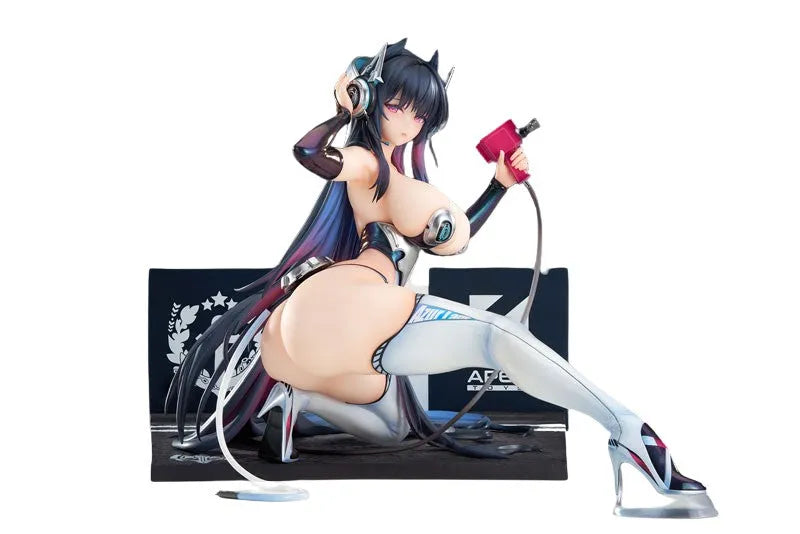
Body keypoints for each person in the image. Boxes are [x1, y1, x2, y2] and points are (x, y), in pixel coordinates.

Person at [168, 39, 717, 518]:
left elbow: (452, 235)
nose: (409, 121)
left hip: (318, 337)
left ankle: (296, 402)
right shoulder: (367, 162)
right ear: (372, 98)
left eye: (421, 112)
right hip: (354, 302)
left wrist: (499, 185)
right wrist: (341, 109)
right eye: (398, 104)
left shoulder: (398, 174)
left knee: (394, 428)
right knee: (496, 336)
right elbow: (309, 153)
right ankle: (629, 431)